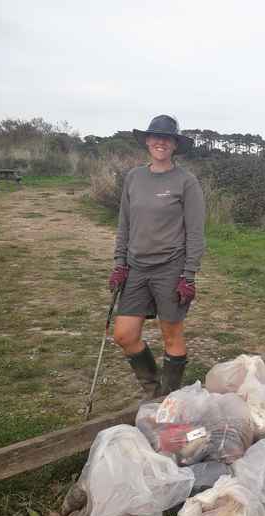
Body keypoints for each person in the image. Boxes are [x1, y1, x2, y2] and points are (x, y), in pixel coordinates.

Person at [109, 114, 205, 397]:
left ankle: (169, 398)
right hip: (136, 267)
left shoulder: (186, 182)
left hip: (171, 269)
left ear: (175, 144)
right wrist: (119, 264)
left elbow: (195, 233)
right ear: (147, 141)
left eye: (167, 138)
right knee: (124, 335)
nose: (160, 142)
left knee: (171, 336)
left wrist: (188, 276)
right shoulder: (134, 177)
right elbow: (124, 223)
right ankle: (155, 392)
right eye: (155, 137)